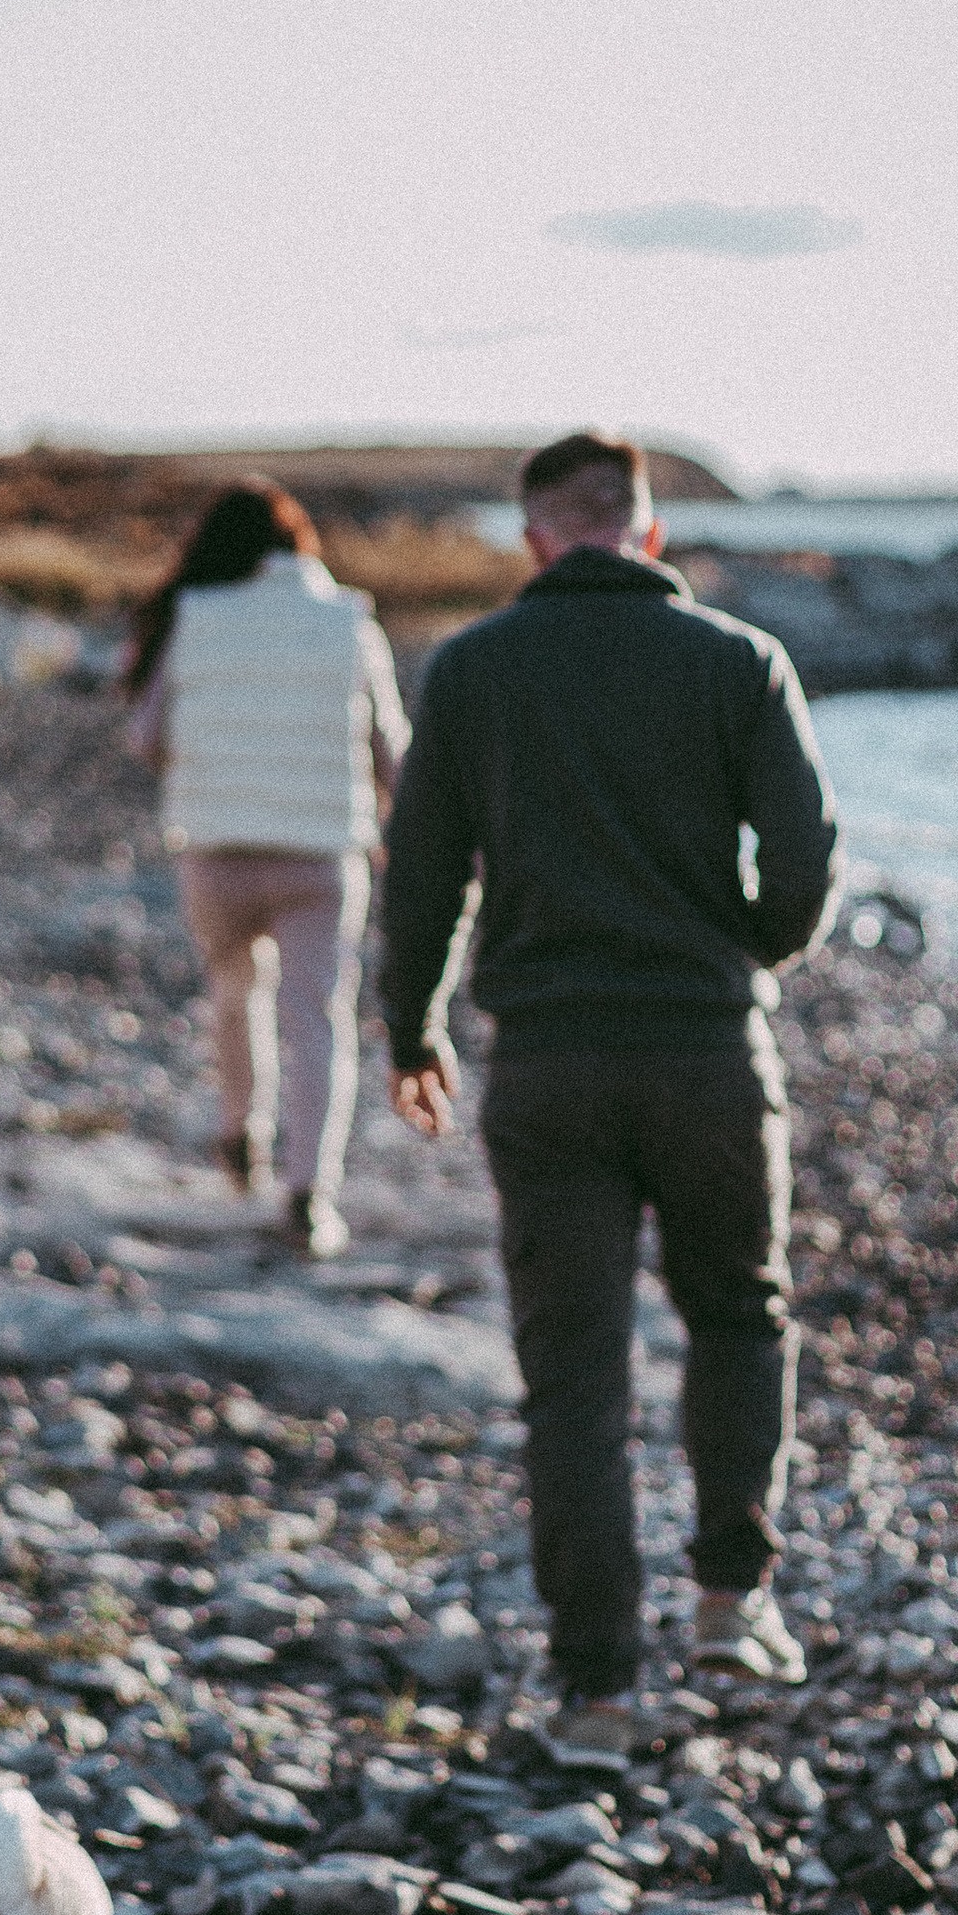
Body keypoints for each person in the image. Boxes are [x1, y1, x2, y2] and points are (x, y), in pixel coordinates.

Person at [378, 430, 840, 1765]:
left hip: (547, 1065)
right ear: (645, 534)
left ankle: (594, 1693)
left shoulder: (471, 669)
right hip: (708, 1050)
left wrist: (410, 1028)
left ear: (537, 539)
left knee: (573, 1376)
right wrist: (753, 944)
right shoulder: (739, 661)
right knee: (739, 1318)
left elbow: (423, 870)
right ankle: (731, 1599)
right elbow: (805, 853)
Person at [125, 479, 409, 1260]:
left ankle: (239, 1135)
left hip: (216, 847)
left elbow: (147, 736)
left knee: (232, 996)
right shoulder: (349, 622)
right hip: (321, 853)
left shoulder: (195, 618)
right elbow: (393, 752)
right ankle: (309, 1192)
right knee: (317, 1019)